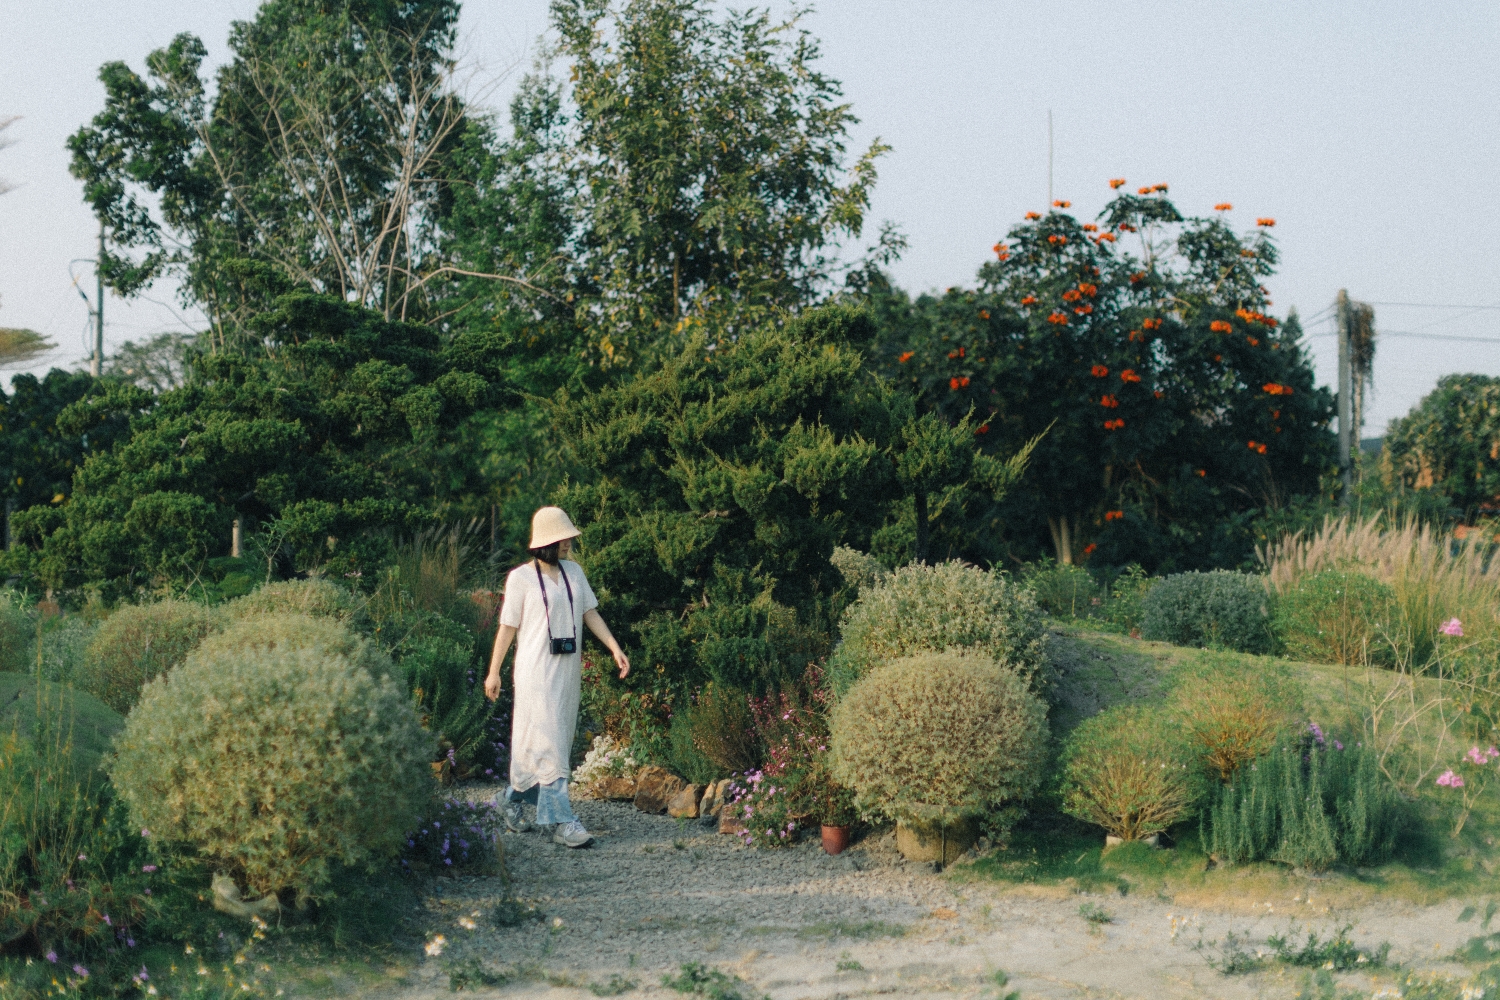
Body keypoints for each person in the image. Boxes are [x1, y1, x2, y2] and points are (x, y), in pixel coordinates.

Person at [484, 506, 630, 847]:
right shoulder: (520, 578)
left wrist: (614, 647)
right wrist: (493, 672)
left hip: (566, 673)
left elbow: (589, 612)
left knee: (552, 741)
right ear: (547, 541)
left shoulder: (574, 573)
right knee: (549, 742)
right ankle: (562, 822)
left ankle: (509, 801)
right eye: (563, 538)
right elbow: (507, 629)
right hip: (534, 673)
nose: (569, 543)